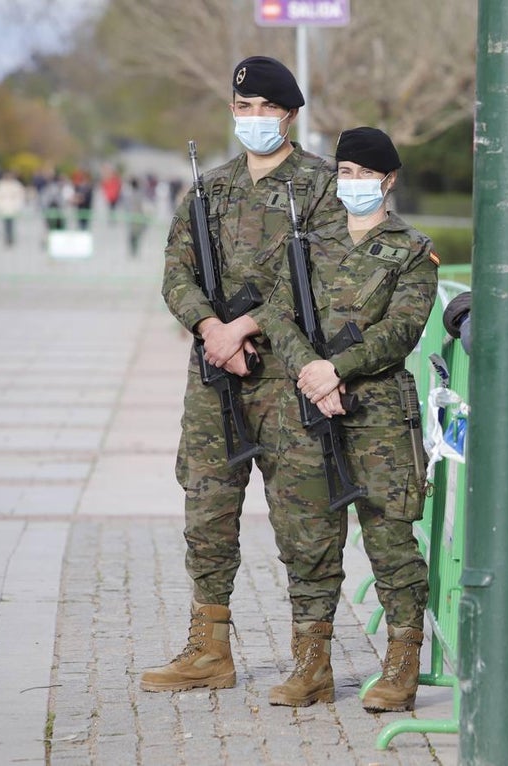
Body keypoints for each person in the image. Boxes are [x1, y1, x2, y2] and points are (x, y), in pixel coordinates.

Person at [144, 55, 346, 707]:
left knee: (304, 523)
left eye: (267, 107)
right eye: (244, 107)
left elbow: (329, 276)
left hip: (291, 377)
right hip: (215, 379)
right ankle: (209, 650)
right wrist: (210, 329)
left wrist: (246, 326)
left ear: (290, 114)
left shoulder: (321, 186)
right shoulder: (210, 188)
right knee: (206, 510)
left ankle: (312, 660)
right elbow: (177, 272)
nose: (254, 118)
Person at [259, 126, 436, 713]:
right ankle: (311, 665)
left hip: (380, 415)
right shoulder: (307, 240)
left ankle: (402, 662)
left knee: (390, 541)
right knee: (307, 539)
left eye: (363, 173)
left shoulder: (411, 250)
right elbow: (276, 314)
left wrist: (337, 368)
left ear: (388, 179)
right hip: (306, 408)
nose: (352, 182)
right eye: (344, 172)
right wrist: (310, 368)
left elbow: (401, 330)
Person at [0, 171, 26, 248]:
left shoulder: (16, 184)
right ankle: (7, 238)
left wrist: (17, 206)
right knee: (5, 223)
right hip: (4, 207)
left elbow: (20, 196)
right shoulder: (0, 185)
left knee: (11, 223)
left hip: (12, 207)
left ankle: (10, 237)